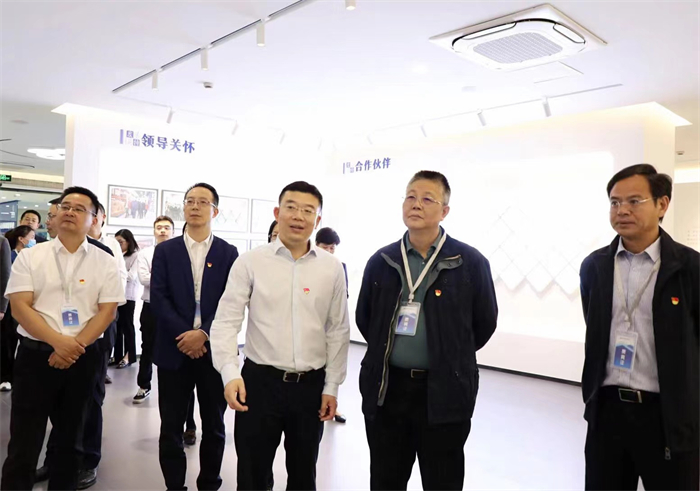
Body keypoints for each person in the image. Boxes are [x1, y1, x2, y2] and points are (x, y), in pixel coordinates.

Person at [356, 170, 498, 491]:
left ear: (444, 211)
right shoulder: (382, 261)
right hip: (388, 390)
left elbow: (485, 322)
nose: (416, 204)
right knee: (386, 479)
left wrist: (452, 356)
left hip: (444, 391)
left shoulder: (469, 262)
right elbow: (366, 319)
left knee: (442, 480)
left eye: (426, 199)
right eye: (410, 197)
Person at [211, 181, 351, 491]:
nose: (298, 216)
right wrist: (229, 373)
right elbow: (226, 321)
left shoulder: (331, 268)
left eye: (308, 210)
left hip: (310, 388)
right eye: (291, 207)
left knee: (303, 474)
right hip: (260, 384)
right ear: (277, 212)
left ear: (318, 219)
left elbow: (338, 329)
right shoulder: (250, 261)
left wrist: (332, 386)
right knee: (253, 474)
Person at [579, 164, 699, 490]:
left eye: (634, 201)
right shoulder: (594, 267)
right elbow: (595, 327)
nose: (622, 210)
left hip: (667, 416)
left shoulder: (689, 268)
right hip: (607, 412)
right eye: (615, 202)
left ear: (662, 204)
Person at [0, 186, 124, 491]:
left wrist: (73, 346)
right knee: (23, 443)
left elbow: (107, 311)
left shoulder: (104, 260)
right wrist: (59, 342)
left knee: (72, 442)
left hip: (82, 358)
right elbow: (20, 306)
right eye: (65, 206)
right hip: (34, 356)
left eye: (79, 209)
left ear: (94, 219)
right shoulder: (32, 256)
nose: (69, 212)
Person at [151, 183, 238, 491]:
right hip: (174, 350)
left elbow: (231, 301)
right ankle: (175, 485)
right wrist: (185, 335)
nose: (195, 206)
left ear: (215, 211)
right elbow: (159, 298)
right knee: (171, 427)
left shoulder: (228, 253)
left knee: (214, 426)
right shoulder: (165, 250)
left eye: (203, 202)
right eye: (190, 201)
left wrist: (203, 334)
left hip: (213, 352)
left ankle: (210, 483)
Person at [134, 216, 174, 402]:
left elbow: (183, 280)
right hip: (151, 307)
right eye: (159, 228)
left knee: (173, 347)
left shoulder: (180, 253)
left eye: (166, 227)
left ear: (173, 231)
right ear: (154, 231)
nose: (163, 231)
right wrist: (170, 280)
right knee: (148, 347)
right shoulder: (145, 253)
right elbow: (144, 279)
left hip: (174, 307)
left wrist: (158, 278)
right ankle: (144, 385)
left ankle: (173, 388)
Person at [315, 226, 349, 424]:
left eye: (332, 248)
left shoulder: (339, 267)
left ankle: (333, 404)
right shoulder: (309, 265)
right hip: (314, 327)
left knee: (334, 364)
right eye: (325, 247)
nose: (329, 251)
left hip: (332, 325)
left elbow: (342, 299)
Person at [114, 229, 140, 369]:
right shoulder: (116, 255)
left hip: (128, 296)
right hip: (116, 295)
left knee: (127, 326)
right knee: (116, 327)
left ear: (128, 242)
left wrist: (118, 271)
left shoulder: (136, 255)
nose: (118, 245)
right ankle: (117, 356)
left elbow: (131, 276)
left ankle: (129, 356)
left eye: (121, 242)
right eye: (116, 242)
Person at [0, 236, 12, 392]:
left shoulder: (2, 242)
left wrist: (2, 307)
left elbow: (5, 275)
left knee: (3, 343)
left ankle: (5, 377)